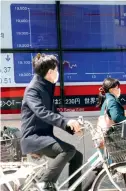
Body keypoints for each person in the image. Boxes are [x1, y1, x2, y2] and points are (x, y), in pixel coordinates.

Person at [20, 53, 83, 191]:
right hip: (33, 137)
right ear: (50, 72)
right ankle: (44, 184)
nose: (58, 73)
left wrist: (71, 127)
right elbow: (42, 112)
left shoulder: (45, 87)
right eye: (57, 70)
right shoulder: (33, 89)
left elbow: (53, 113)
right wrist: (66, 122)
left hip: (44, 136)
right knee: (68, 150)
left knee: (77, 156)